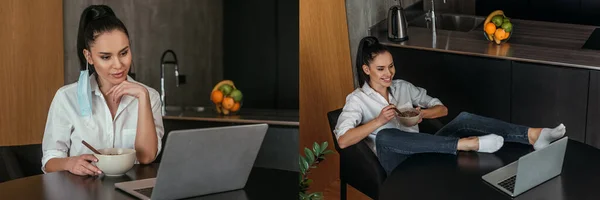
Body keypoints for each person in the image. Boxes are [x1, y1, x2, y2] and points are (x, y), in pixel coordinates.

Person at [334, 36, 566, 174]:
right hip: (397, 161)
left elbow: (442, 109)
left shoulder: (403, 87)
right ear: (366, 70)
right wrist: (378, 121)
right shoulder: (357, 100)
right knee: (385, 136)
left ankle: (535, 135)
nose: (389, 73)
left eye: (391, 66)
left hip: (430, 149)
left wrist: (421, 113)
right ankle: (466, 144)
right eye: (381, 69)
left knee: (463, 117)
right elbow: (343, 140)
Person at [41, 5, 164, 176]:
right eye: (106, 57)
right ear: (89, 57)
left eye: (124, 53)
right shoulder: (66, 98)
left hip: (130, 190)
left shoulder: (150, 96)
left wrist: (142, 97)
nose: (118, 65)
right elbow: (49, 161)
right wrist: (70, 163)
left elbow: (146, 157)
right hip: (82, 191)